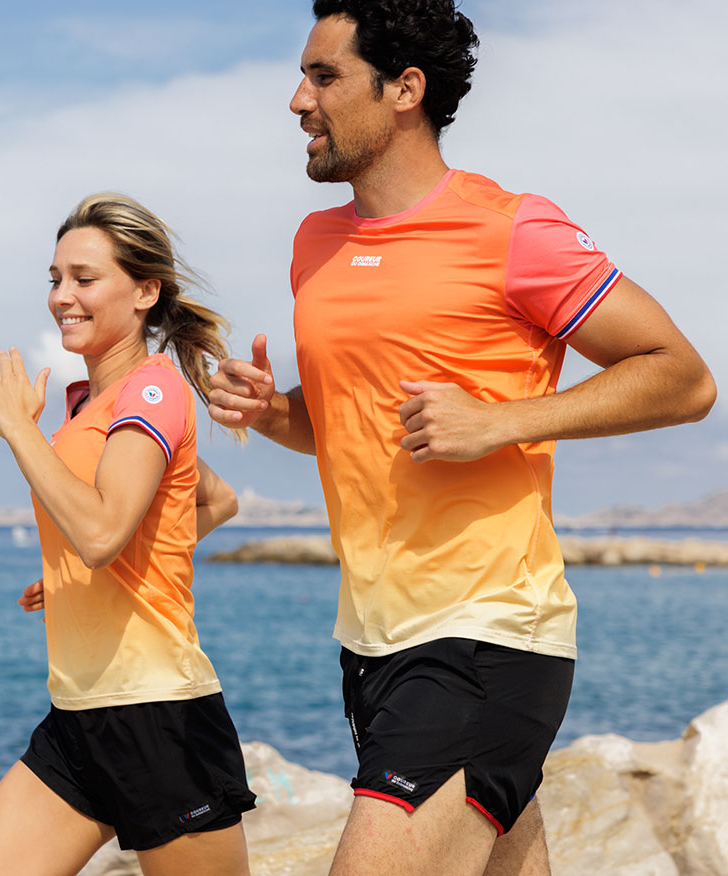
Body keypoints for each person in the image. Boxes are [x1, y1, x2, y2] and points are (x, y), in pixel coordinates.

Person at [207, 2, 717, 875]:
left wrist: (505, 419)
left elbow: (682, 374)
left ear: (406, 89)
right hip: (372, 643)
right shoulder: (315, 243)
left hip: (487, 636)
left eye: (324, 76)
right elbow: (349, 425)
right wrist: (274, 413)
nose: (298, 99)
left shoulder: (515, 230)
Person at [0, 194, 256, 876]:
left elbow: (99, 532)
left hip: (160, 718)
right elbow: (216, 499)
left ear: (145, 290)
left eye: (84, 279)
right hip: (77, 718)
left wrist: (19, 430)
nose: (63, 296)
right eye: (55, 279)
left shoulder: (152, 393)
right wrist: (93, 573)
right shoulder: (87, 408)